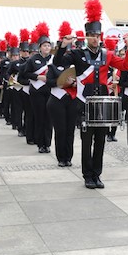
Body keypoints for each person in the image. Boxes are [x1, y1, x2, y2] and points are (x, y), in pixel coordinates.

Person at [55, 0, 128, 189]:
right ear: (86, 36)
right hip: (84, 103)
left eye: (97, 34)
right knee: (86, 141)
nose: (94, 38)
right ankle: (87, 175)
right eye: (91, 34)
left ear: (101, 35)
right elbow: (59, 62)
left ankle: (97, 174)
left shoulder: (107, 54)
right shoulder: (78, 54)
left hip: (103, 104)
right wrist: (63, 45)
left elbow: (126, 65)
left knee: (100, 141)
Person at [48, 21, 79, 167]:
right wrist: (62, 82)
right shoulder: (54, 64)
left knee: (70, 130)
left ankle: (69, 157)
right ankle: (61, 157)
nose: (68, 52)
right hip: (57, 100)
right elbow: (49, 82)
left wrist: (74, 83)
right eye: (65, 49)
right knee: (60, 130)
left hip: (71, 99)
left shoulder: (75, 64)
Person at [19, 23, 54, 153]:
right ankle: (41, 144)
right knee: (39, 117)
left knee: (49, 119)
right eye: (45, 45)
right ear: (40, 47)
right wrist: (37, 77)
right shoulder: (33, 59)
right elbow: (24, 74)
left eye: (49, 45)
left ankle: (48, 143)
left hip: (50, 92)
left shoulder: (53, 59)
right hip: (36, 92)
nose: (47, 47)